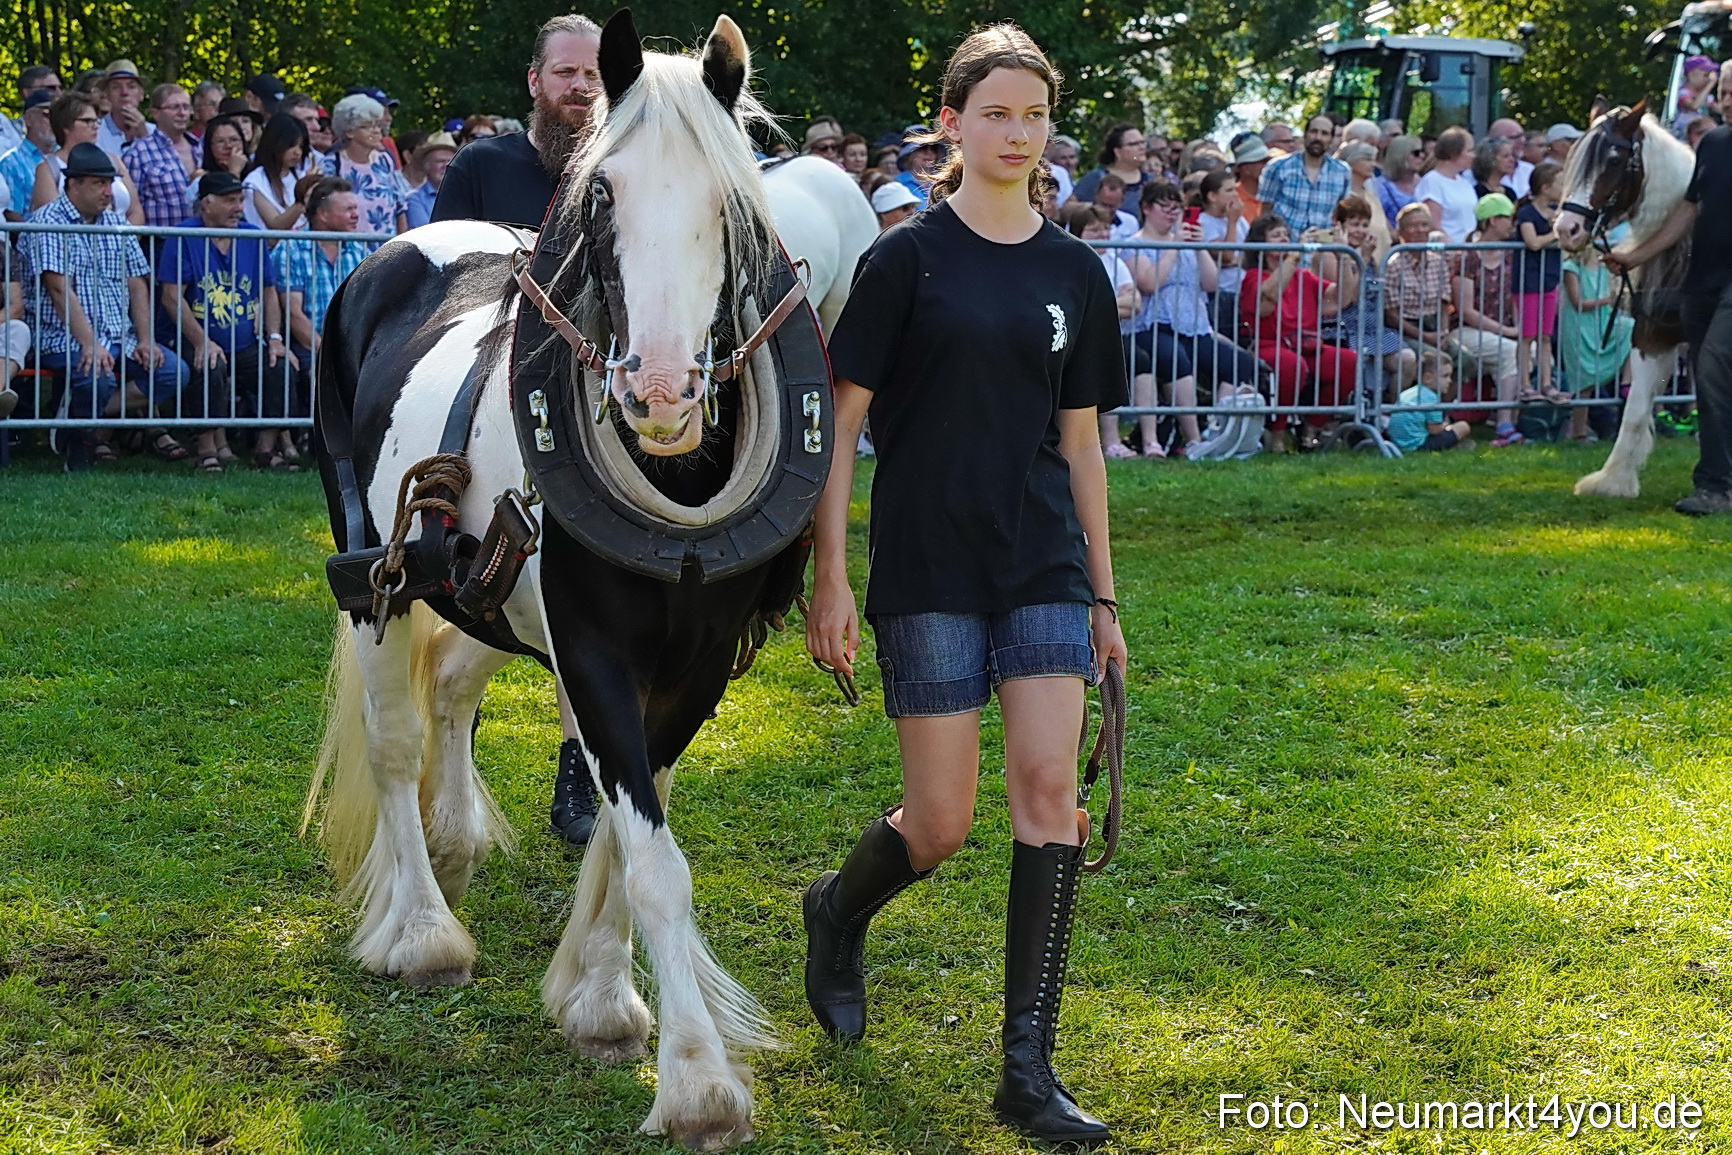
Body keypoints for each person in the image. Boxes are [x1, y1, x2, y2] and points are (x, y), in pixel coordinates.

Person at [804, 23, 1126, 1146]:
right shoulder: (905, 261)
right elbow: (840, 431)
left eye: (1035, 115)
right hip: (928, 567)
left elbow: (1081, 446)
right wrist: (830, 578)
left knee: (1050, 793)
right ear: (952, 122)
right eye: (996, 113)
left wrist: (1103, 598)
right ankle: (835, 911)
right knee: (940, 825)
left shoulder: (1074, 270)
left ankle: (1027, 1072)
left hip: (1042, 564)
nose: (1018, 134)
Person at [1607, 62, 1732, 511]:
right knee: (1710, 377)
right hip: (1704, 280)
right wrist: (1635, 256)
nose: (1727, 101)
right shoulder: (1713, 143)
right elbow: (1689, 209)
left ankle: (1716, 486)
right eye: (1724, 92)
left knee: (1714, 366)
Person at [25, 143, 188, 470]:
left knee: (173, 371)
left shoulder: (116, 223)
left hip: (118, 336)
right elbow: (58, 289)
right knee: (97, 374)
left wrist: (145, 339)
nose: (108, 191)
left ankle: (75, 419)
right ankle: (81, 447)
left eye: (110, 183)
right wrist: (89, 343)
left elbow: (137, 284)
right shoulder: (47, 222)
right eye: (99, 183)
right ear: (73, 184)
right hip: (61, 337)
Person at [158, 169, 297, 471]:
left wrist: (274, 339)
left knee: (280, 366)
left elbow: (269, 291)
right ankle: (206, 449)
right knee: (209, 364)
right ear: (206, 204)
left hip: (245, 341)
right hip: (196, 337)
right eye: (230, 201)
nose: (238, 208)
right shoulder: (183, 236)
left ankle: (266, 449)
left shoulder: (252, 236)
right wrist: (201, 341)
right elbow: (171, 297)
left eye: (240, 200)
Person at [435, 14, 601, 230]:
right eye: (565, 72)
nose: (581, 85)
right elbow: (440, 250)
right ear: (534, 82)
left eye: (592, 74)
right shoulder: (479, 166)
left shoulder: (627, 173)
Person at [1140, 179, 1263, 456]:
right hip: (1154, 326)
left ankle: (1217, 430)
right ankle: (1194, 439)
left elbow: (1211, 283)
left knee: (1239, 362)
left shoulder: (1187, 243)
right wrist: (1175, 246)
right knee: (1176, 359)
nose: (1171, 214)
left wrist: (1198, 247)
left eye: (1176, 208)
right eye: (1165, 207)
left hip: (1193, 327)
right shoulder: (1134, 244)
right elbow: (1149, 283)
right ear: (1147, 208)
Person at [1240, 212, 1360, 452]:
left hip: (1306, 344)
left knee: (1348, 361)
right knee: (1291, 365)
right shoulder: (1254, 277)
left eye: (1286, 235)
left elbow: (1342, 298)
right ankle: (1277, 434)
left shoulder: (1303, 276)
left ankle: (1312, 428)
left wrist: (1344, 254)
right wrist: (1295, 254)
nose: (1284, 239)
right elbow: (1270, 296)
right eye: (1276, 236)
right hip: (1268, 345)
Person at [273, 176, 365, 409]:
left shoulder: (361, 250)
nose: (356, 215)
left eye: (355, 208)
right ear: (323, 215)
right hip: (307, 344)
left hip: (351, 345)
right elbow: (293, 314)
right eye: (348, 210)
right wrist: (328, 353)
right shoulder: (290, 249)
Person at [1444, 195, 1526, 445]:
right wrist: (1508, 331)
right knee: (1510, 350)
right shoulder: (1467, 257)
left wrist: (1521, 328)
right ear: (1493, 221)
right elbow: (1466, 310)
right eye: (1508, 218)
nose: (1513, 224)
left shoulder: (1511, 254)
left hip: (1502, 329)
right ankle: (1504, 424)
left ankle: (1505, 416)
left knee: (1530, 351)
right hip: (1466, 330)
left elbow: (1515, 297)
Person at [1317, 195, 1414, 397]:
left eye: (1364, 225)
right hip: (1343, 329)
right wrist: (1364, 258)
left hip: (1372, 329)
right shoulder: (1329, 254)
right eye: (1354, 225)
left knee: (1407, 359)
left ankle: (1388, 408)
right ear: (1338, 225)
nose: (1360, 231)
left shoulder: (1366, 254)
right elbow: (1347, 298)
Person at [32, 92, 142, 225]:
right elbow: (50, 219)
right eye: (87, 121)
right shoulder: (49, 167)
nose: (96, 126)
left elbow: (136, 210)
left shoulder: (114, 161)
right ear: (65, 126)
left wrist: (123, 237)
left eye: (96, 120)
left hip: (120, 235)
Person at [1559, 243, 1633, 442]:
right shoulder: (1570, 268)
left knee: (1631, 327)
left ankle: (1626, 383)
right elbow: (1578, 302)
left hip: (1601, 321)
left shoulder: (1602, 268)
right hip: (1580, 326)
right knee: (1583, 383)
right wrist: (1607, 300)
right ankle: (1578, 432)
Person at [319, 94, 407, 236]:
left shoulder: (385, 160)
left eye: (377, 125)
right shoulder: (331, 164)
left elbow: (400, 208)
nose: (376, 131)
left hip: (388, 246)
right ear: (349, 131)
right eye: (367, 126)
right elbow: (323, 212)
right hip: (350, 246)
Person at [1514, 160, 1565, 404]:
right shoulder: (1526, 213)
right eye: (1560, 183)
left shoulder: (1558, 213)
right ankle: (1524, 383)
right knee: (1527, 335)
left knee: (1545, 335)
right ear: (1545, 187)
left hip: (1549, 279)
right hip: (1529, 280)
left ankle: (1546, 383)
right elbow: (1532, 242)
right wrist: (1555, 233)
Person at [1256, 115, 1350, 235]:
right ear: (1305, 135)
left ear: (1331, 139)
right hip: (1285, 243)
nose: (1318, 137)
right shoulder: (1278, 167)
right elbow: (1265, 212)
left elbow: (1338, 213)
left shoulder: (1342, 172)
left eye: (1324, 133)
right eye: (1313, 131)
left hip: (1321, 244)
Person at [126, 83, 199, 228]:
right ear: (155, 113)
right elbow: (130, 207)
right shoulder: (138, 153)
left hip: (201, 238)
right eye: (174, 107)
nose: (182, 113)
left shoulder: (201, 147)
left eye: (186, 107)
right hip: (159, 239)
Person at [1388, 349, 1472, 452]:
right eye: (1445, 376)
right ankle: (1457, 445)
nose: (1450, 381)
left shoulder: (1409, 392)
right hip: (1418, 446)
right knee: (1463, 426)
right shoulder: (1431, 398)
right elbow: (1434, 430)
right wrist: (1446, 426)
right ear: (1428, 378)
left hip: (1398, 443)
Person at [242, 112, 311, 230]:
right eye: (291, 145)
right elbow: (276, 225)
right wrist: (302, 198)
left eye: (300, 146)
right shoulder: (255, 181)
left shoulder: (300, 176)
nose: (297, 152)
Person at [0, 88, 57, 219]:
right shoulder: (11, 162)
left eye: (59, 116)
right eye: (47, 115)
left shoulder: (66, 156)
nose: (55, 121)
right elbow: (12, 215)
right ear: (28, 119)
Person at [1417, 126, 1477, 243]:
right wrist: (1453, 249)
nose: (1474, 155)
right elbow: (1433, 225)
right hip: (1447, 251)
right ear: (1454, 153)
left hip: (1469, 250)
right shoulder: (1432, 182)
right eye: (1469, 151)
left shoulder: (1465, 182)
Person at [1338, 140, 1390, 257]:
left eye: (1373, 160)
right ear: (1351, 160)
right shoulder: (1342, 197)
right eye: (1367, 159)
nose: (1373, 164)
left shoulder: (1372, 196)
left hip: (1378, 261)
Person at [184, 115, 247, 212]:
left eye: (234, 140)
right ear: (210, 147)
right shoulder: (200, 182)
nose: (228, 146)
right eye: (220, 141)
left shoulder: (256, 176)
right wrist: (234, 172)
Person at [1072, 123, 1146, 204]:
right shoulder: (1095, 179)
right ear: (1117, 151)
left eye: (1142, 142)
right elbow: (1070, 207)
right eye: (1134, 144)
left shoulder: (1152, 180)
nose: (1142, 147)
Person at [95, 60, 153, 156]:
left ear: (141, 94)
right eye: (116, 87)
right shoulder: (95, 131)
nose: (124, 92)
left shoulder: (155, 132)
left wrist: (144, 136)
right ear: (106, 94)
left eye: (131, 87)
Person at [405, 132, 456, 229]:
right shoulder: (414, 199)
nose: (446, 166)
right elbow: (425, 233)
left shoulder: (468, 196)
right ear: (427, 167)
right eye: (440, 161)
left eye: (451, 161)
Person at [1375, 134, 1422, 225]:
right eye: (1416, 153)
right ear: (1401, 155)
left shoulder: (1425, 183)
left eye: (1422, 152)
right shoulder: (1380, 187)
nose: (1422, 156)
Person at [893, 127, 938, 209]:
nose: (929, 152)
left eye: (934, 148)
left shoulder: (944, 182)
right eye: (923, 147)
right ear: (910, 154)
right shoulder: (897, 184)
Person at [1675, 56, 1719, 137]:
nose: (1708, 79)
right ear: (1691, 75)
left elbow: (1719, 109)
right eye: (1705, 75)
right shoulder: (1683, 93)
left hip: (1699, 133)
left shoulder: (1706, 97)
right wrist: (1710, 85)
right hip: (1683, 136)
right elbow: (1694, 106)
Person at [1231, 134, 1268, 221]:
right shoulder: (1232, 197)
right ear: (1246, 168)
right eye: (1263, 161)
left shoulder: (1276, 193)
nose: (1269, 165)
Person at [1471, 137, 1518, 202]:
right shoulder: (1476, 193)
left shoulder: (1510, 193)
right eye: (1505, 156)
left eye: (1512, 155)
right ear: (1490, 160)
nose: (1512, 160)